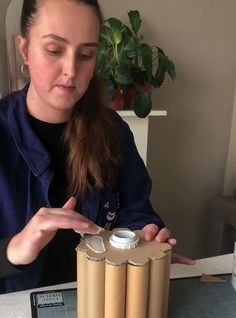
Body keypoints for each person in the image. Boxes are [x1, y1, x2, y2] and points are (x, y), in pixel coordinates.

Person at [0, 0, 194, 294]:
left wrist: (144, 237)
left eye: (86, 54)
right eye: (54, 51)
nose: (70, 70)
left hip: (105, 301)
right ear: (24, 50)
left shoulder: (113, 130)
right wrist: (14, 249)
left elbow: (136, 211)